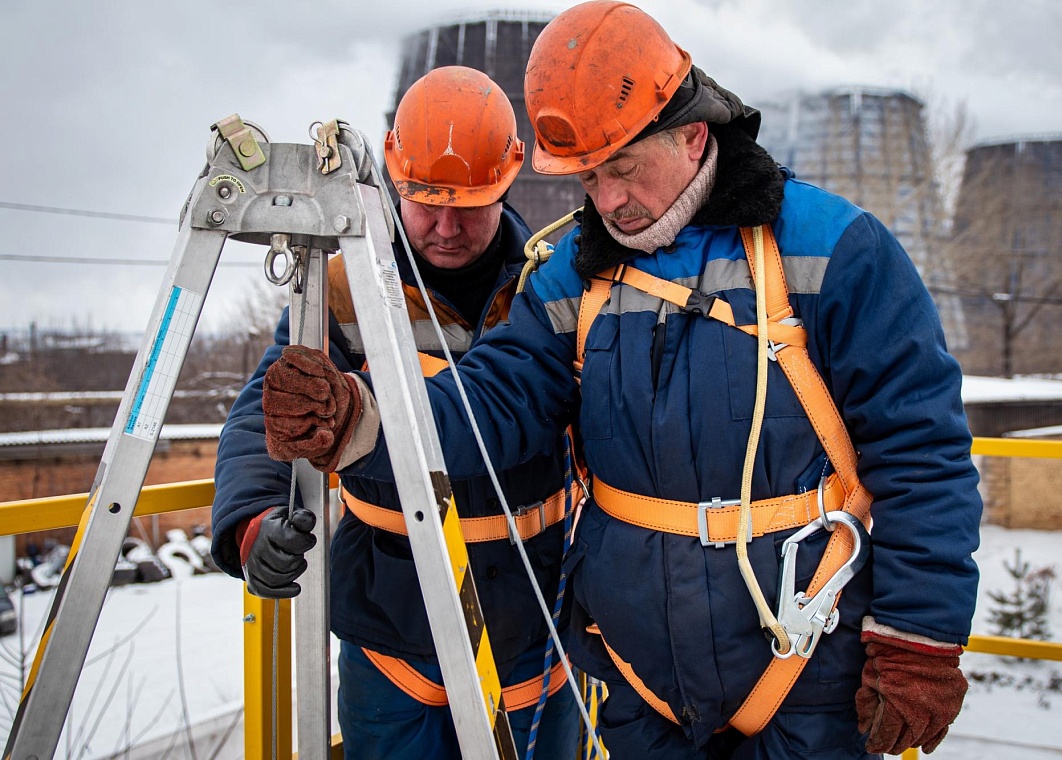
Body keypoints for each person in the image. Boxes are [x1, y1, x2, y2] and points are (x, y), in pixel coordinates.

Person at [259, 2, 985, 758]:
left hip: (806, 679)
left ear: (693, 133)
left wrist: (917, 640)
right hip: (644, 690)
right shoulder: (576, 272)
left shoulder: (834, 250)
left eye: (623, 169)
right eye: (589, 178)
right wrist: (364, 422)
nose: (606, 202)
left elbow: (921, 453)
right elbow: (496, 399)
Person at [210, 66, 580, 760]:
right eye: (424, 201)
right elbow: (270, 412)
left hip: (529, 624)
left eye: (469, 204)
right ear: (392, 176)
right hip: (389, 631)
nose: (444, 227)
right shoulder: (348, 292)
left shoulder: (549, 287)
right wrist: (251, 520)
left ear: (509, 178)